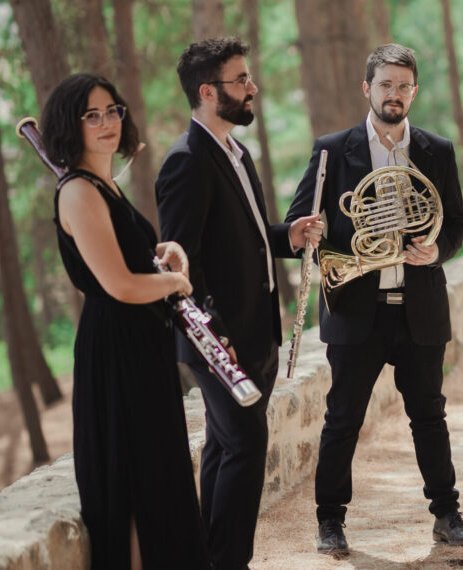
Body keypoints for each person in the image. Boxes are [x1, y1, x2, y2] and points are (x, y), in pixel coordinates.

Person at [283, 43, 463, 553]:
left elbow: (456, 223)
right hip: (355, 308)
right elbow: (295, 227)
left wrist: (437, 250)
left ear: (415, 91)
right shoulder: (331, 149)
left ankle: (448, 514)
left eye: (404, 86)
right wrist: (311, 230)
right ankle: (330, 521)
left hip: (420, 309)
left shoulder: (437, 150)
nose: (395, 94)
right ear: (367, 88)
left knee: (430, 416)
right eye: (386, 84)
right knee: (342, 419)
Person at [155, 37, 321, 569]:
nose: (253, 88)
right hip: (219, 340)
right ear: (208, 92)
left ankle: (208, 556)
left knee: (227, 448)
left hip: (256, 335)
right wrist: (216, 335)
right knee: (246, 447)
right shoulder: (186, 161)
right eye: (240, 80)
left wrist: (286, 236)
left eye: (249, 78)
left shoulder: (235, 149)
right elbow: (182, 263)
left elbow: (245, 238)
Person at [42, 73, 209, 569]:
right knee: (135, 484)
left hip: (140, 347)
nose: (106, 122)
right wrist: (175, 284)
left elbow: (131, 259)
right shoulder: (78, 191)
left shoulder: (103, 185)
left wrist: (164, 252)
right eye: (91, 115)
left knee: (155, 477)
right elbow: (119, 285)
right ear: (69, 126)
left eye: (112, 110)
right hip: (116, 353)